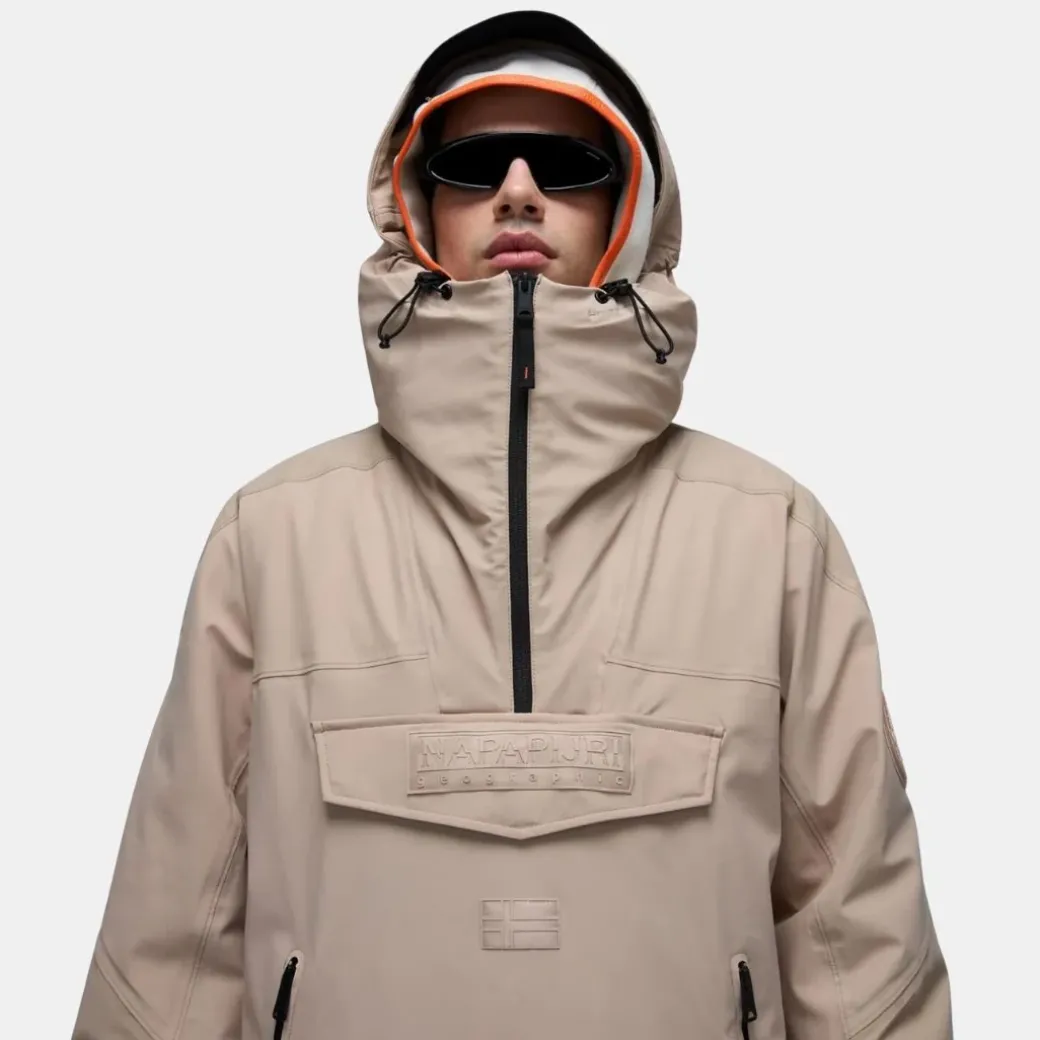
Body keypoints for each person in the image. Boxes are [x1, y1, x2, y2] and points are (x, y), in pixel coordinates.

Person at [71, 10, 953, 1040]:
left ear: (627, 210)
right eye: (474, 162)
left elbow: (861, 940)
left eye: (569, 164)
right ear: (419, 206)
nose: (519, 190)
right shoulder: (273, 537)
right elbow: (172, 935)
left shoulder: (771, 537)